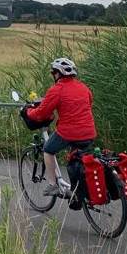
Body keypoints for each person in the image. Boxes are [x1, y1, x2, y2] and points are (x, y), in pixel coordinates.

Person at [24, 57, 97, 197]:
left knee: (48, 149)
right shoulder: (84, 88)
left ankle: (52, 185)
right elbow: (89, 103)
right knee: (82, 160)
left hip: (68, 132)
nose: (53, 75)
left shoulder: (57, 89)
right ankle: (79, 191)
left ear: (58, 74)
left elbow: (41, 113)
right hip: (89, 132)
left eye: (54, 73)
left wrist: (28, 111)